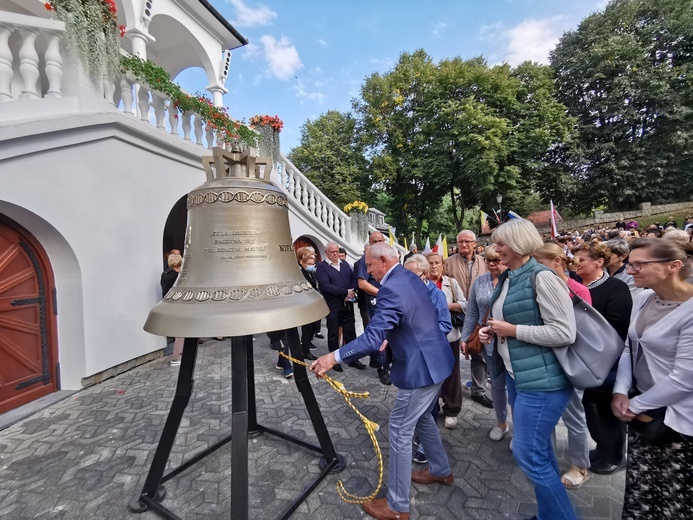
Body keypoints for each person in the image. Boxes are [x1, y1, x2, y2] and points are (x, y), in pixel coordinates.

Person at [311, 243, 455, 520]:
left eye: (370, 265)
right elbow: (412, 317)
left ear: (385, 262)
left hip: (421, 369)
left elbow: (373, 338)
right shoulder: (409, 277)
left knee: (400, 429)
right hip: (435, 360)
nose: (367, 270)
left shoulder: (391, 288)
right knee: (423, 418)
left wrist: (333, 357)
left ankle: (397, 506)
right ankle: (440, 470)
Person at [479, 218, 578, 520]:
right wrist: (492, 332)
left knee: (527, 454)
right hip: (518, 376)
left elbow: (564, 333)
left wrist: (512, 330)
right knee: (541, 452)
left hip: (543, 382)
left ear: (520, 243)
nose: (495, 250)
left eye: (500, 244)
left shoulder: (542, 277)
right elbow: (510, 320)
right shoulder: (511, 276)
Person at [611, 239, 693, 519]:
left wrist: (635, 405)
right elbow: (629, 347)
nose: (630, 270)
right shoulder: (643, 298)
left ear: (673, 266)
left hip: (678, 418)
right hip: (644, 408)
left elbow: (685, 378)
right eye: (630, 263)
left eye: (639, 264)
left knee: (673, 496)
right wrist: (621, 391)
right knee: (641, 487)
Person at [533, 243, 592, 489]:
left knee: (574, 416)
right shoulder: (536, 285)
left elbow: (582, 329)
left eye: (540, 263)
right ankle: (548, 460)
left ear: (557, 261)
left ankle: (580, 464)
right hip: (544, 360)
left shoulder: (577, 290)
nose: (535, 269)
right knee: (544, 416)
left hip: (569, 361)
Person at [573, 242, 632, 475]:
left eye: (582, 260)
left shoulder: (615, 288)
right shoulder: (578, 287)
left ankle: (616, 455)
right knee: (591, 405)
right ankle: (602, 447)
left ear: (599, 262)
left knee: (606, 408)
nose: (576, 263)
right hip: (583, 360)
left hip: (607, 361)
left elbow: (617, 327)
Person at [461, 246, 509, 442]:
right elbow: (472, 311)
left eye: (496, 260)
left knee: (516, 386)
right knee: (497, 384)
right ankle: (502, 422)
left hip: (513, 341)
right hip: (487, 341)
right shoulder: (480, 281)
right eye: (488, 260)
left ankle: (520, 429)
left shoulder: (514, 280)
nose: (491, 264)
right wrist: (465, 337)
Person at [445, 230, 493, 408]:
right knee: (453, 353)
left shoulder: (484, 262)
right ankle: (451, 390)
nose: (464, 245)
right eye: (460, 242)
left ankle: (478, 390)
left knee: (478, 352)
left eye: (467, 242)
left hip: (479, 315)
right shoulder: (448, 263)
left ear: (474, 243)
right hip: (456, 314)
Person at [426, 252, 467, 429]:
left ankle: (451, 409)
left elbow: (465, 304)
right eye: (430, 263)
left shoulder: (451, 283)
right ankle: (431, 406)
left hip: (449, 336)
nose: (434, 266)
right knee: (430, 374)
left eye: (437, 263)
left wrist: (445, 306)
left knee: (452, 373)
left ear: (443, 266)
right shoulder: (421, 284)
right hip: (427, 338)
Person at [315, 242, 365, 372]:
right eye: (332, 252)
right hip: (333, 306)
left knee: (350, 332)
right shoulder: (322, 267)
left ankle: (352, 358)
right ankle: (334, 360)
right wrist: (345, 292)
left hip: (347, 305)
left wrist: (352, 291)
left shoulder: (345, 265)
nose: (335, 254)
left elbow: (354, 279)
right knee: (333, 334)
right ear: (326, 253)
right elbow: (326, 287)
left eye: (337, 251)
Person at [357, 231, 387, 370]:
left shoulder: (389, 257)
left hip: (388, 300)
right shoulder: (365, 259)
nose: (378, 244)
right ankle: (382, 368)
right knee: (378, 333)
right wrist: (382, 293)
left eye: (380, 240)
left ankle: (376, 361)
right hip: (374, 300)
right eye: (374, 241)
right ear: (370, 242)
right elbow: (362, 284)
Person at [161, 253, 184, 366]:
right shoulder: (177, 276)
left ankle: (181, 354)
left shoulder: (165, 274)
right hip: (177, 306)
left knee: (179, 332)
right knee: (180, 333)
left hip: (168, 305)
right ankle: (176, 358)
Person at [297, 249, 319, 361]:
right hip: (306, 305)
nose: (312, 266)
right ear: (303, 263)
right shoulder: (301, 274)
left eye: (313, 264)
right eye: (309, 264)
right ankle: (305, 351)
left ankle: (306, 345)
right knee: (307, 329)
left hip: (313, 304)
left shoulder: (312, 273)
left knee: (314, 327)